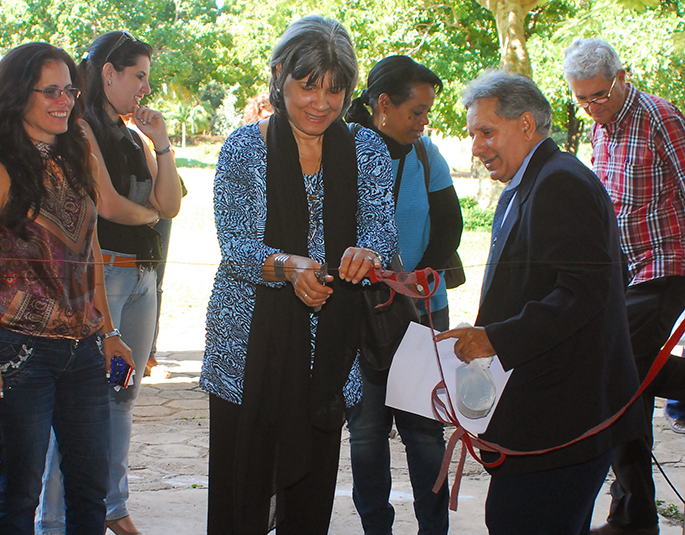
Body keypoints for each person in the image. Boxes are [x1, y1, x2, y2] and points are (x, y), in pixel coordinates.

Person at [200, 15, 397, 534]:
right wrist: (287, 267)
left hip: (328, 354)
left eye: (335, 90)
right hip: (247, 348)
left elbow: (382, 234)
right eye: (308, 86)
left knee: (310, 496)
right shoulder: (246, 147)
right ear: (280, 75)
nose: (321, 103)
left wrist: (367, 254)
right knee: (240, 485)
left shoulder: (367, 150)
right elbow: (235, 245)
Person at [436, 70, 645, 534]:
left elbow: (584, 293)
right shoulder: (535, 180)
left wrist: (495, 338)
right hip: (548, 413)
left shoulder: (560, 182)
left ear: (526, 125)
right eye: (473, 134)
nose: (476, 147)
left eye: (486, 132)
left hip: (567, 421)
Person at [0, 42, 132, 534]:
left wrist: (110, 332)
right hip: (20, 353)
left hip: (84, 353)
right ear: (20, 96)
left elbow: (92, 253)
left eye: (70, 91)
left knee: (90, 489)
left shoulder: (78, 159)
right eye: (51, 91)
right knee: (21, 488)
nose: (65, 101)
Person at [34, 31, 181, 535]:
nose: (144, 86)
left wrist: (161, 144)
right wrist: (150, 217)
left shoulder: (133, 132)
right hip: (107, 277)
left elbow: (173, 204)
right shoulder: (79, 126)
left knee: (123, 395)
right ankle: (53, 519)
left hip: (143, 279)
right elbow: (110, 205)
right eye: (138, 75)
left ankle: (112, 507)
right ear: (108, 73)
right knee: (83, 405)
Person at [563, 38, 685, 535]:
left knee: (615, 375)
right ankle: (633, 518)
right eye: (582, 99)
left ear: (623, 76)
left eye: (600, 95)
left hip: (667, 265)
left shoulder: (660, 117)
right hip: (622, 271)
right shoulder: (599, 126)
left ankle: (631, 518)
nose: (593, 106)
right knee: (624, 381)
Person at [344, 55, 463, 535]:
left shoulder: (425, 154)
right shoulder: (340, 148)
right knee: (368, 434)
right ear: (383, 104)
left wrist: (423, 275)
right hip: (359, 318)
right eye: (416, 111)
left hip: (421, 316)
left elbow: (449, 224)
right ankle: (378, 528)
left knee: (425, 432)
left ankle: (433, 529)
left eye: (427, 112)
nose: (423, 121)